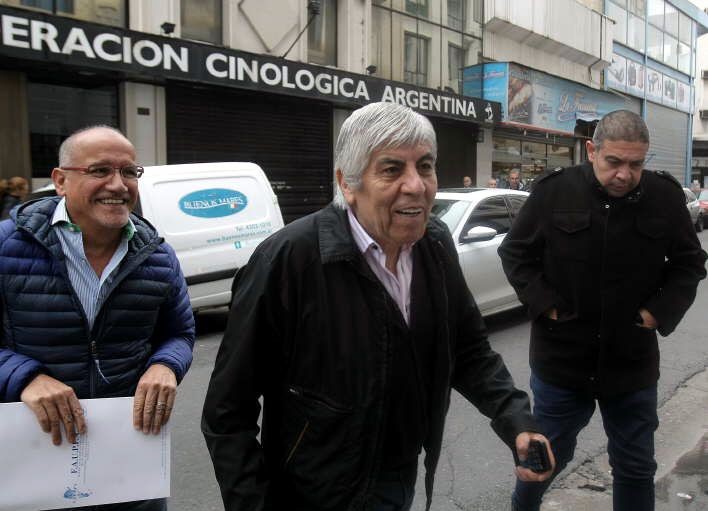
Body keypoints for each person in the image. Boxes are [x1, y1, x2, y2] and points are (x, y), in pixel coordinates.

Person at [202, 102, 554, 511]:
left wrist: (516, 420)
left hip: (397, 484)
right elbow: (227, 413)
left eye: (425, 166)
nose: (416, 185)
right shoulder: (286, 260)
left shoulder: (435, 245)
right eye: (391, 169)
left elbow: (468, 349)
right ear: (347, 183)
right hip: (309, 496)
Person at [498, 110, 707, 511]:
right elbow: (515, 254)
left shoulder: (664, 197)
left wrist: (656, 313)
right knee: (544, 460)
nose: (624, 175)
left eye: (636, 164)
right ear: (592, 150)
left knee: (635, 467)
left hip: (631, 364)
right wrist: (546, 306)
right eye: (614, 162)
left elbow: (690, 263)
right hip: (562, 363)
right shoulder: (554, 192)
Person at [0, 126, 195, 511]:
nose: (118, 185)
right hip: (29, 463)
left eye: (129, 172)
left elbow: (180, 333)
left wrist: (165, 366)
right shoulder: (6, 246)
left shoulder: (158, 256)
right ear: (60, 181)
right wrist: (24, 377)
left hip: (130, 462)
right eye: (100, 170)